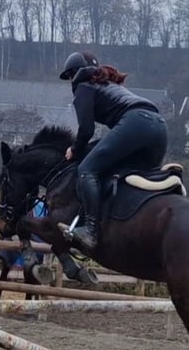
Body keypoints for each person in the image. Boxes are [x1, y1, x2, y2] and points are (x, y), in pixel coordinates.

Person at [59, 51, 168, 251]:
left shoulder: (83, 87)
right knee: (133, 177)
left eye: (69, 76)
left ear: (74, 73)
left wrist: (74, 149)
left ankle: (90, 231)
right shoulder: (109, 85)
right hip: (159, 127)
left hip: (135, 123)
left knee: (87, 170)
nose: (70, 81)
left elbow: (86, 130)